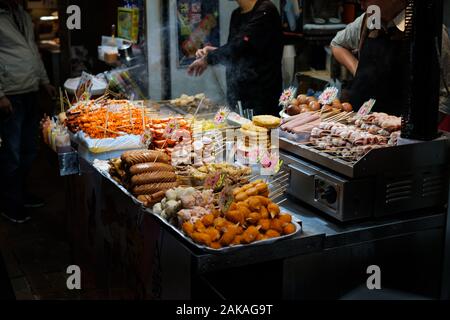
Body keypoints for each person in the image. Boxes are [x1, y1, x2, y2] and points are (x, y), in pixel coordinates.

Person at [331, 0, 450, 118]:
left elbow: (444, 97)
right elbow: (337, 44)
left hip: (399, 128)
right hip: (359, 126)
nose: (359, 1)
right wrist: (357, 69)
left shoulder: (428, 29)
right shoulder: (369, 20)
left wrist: (413, 130)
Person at [0, 0, 56, 223]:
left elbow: (33, 51)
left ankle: (21, 194)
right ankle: (9, 203)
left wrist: (44, 81)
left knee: (29, 149)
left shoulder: (21, 14)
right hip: (11, 93)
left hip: (30, 88)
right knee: (11, 153)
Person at [187, 0, 283, 116]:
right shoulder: (237, 14)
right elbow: (238, 51)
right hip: (238, 96)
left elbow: (241, 45)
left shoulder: (265, 11)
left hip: (261, 99)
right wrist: (212, 51)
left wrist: (208, 59)